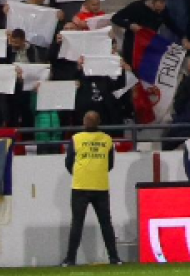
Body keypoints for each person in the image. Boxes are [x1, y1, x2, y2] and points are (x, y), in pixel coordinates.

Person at [62, 111, 122, 266]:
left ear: (84, 122)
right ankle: (114, 258)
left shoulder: (76, 139)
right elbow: (110, 164)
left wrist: (79, 174)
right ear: (99, 122)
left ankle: (70, 259)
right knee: (106, 223)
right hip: (100, 186)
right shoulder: (107, 139)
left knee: (77, 223)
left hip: (80, 186)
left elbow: (69, 162)